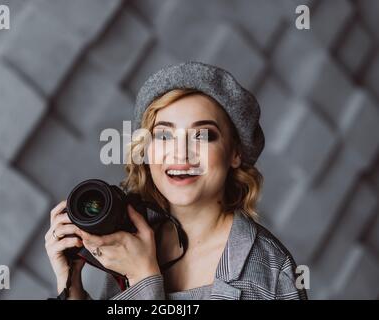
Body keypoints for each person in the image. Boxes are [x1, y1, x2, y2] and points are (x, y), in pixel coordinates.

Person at [45, 61, 308, 300]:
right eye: (163, 136)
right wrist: (72, 289)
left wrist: (143, 279)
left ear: (235, 153)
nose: (180, 153)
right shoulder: (129, 241)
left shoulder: (271, 271)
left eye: (203, 135)